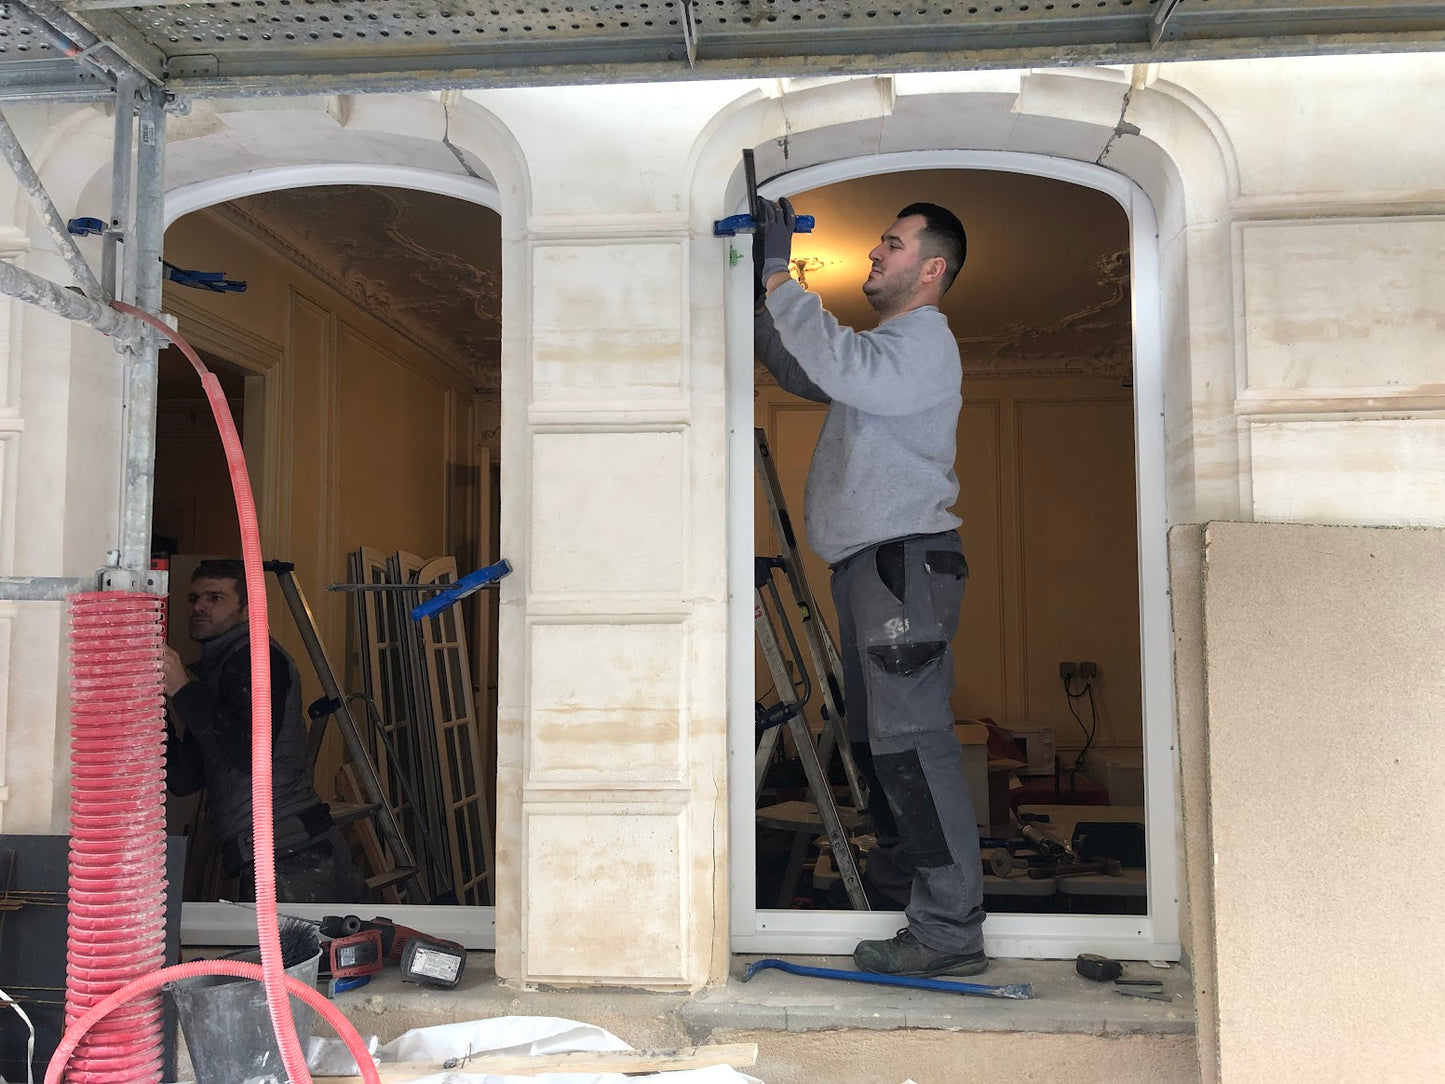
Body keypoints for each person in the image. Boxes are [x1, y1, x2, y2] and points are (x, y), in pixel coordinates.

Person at [753, 197, 986, 977]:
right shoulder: (886, 356)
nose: (873, 255)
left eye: (889, 245)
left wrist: (779, 276)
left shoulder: (924, 342)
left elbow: (839, 362)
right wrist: (756, 294)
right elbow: (805, 366)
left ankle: (949, 930)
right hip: (874, 568)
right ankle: (903, 883)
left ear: (931, 268)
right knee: (874, 743)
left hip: (901, 566)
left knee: (912, 747)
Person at [162, 559, 366, 903]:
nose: (198, 607)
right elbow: (186, 778)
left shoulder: (258, 660)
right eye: (194, 598)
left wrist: (181, 688)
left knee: (307, 955)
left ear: (246, 610)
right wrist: (156, 711)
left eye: (215, 598)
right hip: (265, 852)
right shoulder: (218, 673)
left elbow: (246, 751)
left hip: (294, 853)